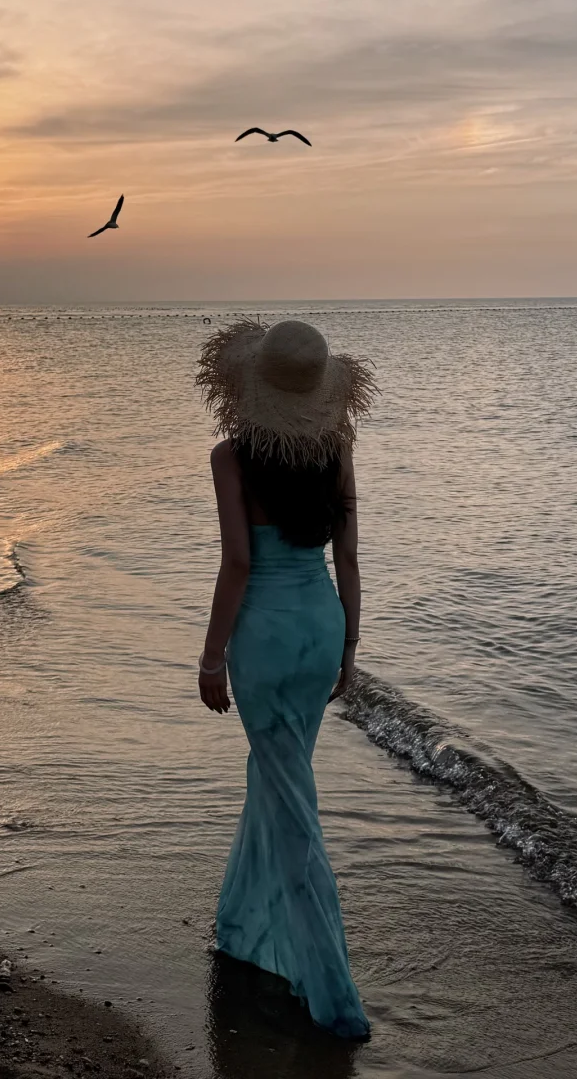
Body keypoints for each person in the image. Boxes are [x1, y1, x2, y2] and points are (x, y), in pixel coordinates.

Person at [195, 318, 377, 1041]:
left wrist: (211, 659)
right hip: (321, 625)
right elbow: (350, 559)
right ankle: (245, 928)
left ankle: (330, 987)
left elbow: (237, 563)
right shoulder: (338, 449)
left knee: (292, 803)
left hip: (265, 635)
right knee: (278, 778)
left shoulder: (230, 457)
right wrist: (350, 649)